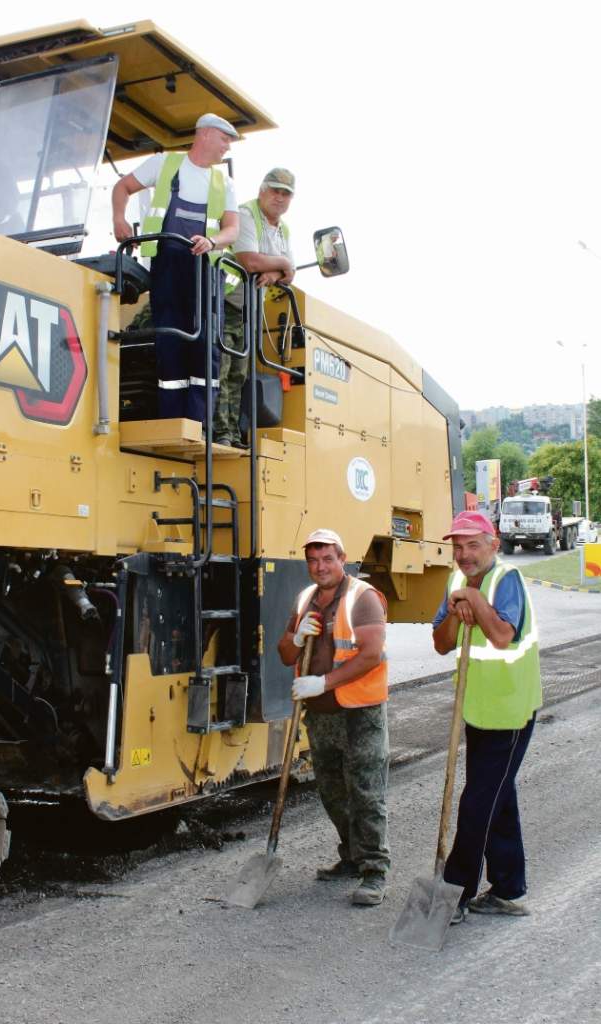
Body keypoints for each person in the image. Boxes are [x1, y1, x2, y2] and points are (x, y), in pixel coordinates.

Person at [432, 510, 542, 924]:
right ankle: (508, 889)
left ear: (494, 545)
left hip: (510, 711)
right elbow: (441, 643)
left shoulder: (506, 579)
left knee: (478, 802)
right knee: (498, 795)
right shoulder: (455, 581)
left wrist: (476, 602)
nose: (464, 554)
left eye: (473, 545)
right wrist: (456, 613)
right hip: (477, 708)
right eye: (458, 547)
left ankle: (454, 893)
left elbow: (501, 636)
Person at [277, 528, 390, 906]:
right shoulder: (305, 599)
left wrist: (322, 682)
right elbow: (285, 655)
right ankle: (352, 856)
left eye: (327, 558)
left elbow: (370, 655)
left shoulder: (363, 598)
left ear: (342, 559)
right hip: (321, 714)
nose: (320, 566)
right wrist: (295, 638)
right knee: (332, 792)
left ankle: (374, 871)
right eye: (313, 560)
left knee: (366, 793)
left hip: (360, 713)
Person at [111, 113, 240, 425]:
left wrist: (212, 241)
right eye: (224, 139)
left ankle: (199, 423)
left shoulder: (224, 183)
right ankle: (172, 419)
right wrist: (118, 219)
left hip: (205, 271)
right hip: (167, 265)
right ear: (205, 134)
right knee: (170, 340)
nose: (227, 146)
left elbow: (232, 229)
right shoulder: (164, 164)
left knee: (205, 343)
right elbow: (122, 187)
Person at [213, 168, 296, 448]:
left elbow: (290, 274)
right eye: (275, 191)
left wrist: (275, 273)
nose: (279, 198)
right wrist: (282, 264)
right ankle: (219, 431)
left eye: (286, 194)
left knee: (239, 374)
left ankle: (232, 433)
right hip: (225, 301)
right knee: (221, 370)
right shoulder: (245, 215)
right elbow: (249, 261)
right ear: (262, 190)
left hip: (248, 310)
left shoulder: (283, 230)